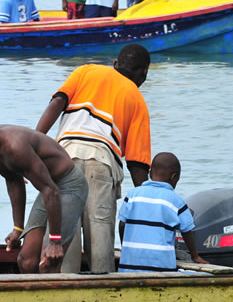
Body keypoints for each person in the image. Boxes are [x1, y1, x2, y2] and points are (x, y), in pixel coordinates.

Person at [36, 43, 152, 273]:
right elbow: (138, 165)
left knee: (62, 236)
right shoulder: (137, 100)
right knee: (100, 241)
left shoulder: (85, 71)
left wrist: (35, 143)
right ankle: (103, 292)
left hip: (61, 160)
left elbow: (57, 103)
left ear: (115, 64)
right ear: (144, 74)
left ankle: (61, 287)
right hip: (101, 163)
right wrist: (150, 203)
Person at [0, 95, 88, 274]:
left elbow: (52, 191)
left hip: (68, 185)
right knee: (26, 261)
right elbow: (13, 180)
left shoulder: (14, 147)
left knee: (48, 260)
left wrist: (55, 241)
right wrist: (17, 229)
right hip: (49, 189)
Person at [118, 152, 208, 272]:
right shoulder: (176, 201)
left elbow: (122, 224)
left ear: (150, 174)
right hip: (161, 269)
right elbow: (187, 231)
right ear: (174, 177)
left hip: (128, 269)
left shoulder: (132, 195)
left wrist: (126, 248)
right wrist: (195, 256)